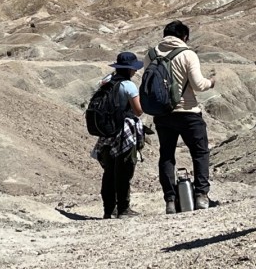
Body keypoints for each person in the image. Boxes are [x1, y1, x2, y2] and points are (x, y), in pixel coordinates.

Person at [144, 21, 216, 214]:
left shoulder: (150, 55)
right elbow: (198, 85)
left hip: (162, 114)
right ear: (184, 37)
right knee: (200, 153)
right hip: (188, 113)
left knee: (167, 156)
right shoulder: (188, 54)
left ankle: (170, 200)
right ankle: (201, 196)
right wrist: (211, 82)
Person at [90, 52, 144, 219]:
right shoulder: (128, 85)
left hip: (106, 133)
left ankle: (108, 209)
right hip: (123, 132)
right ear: (129, 69)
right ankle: (123, 208)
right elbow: (138, 111)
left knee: (109, 171)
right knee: (124, 170)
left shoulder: (106, 82)